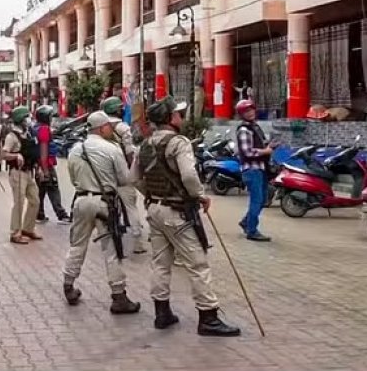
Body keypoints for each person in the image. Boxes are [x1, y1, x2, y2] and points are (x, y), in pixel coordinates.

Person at [134, 97, 240, 337]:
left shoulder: (146, 144)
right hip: (177, 212)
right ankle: (208, 318)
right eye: (178, 114)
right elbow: (190, 176)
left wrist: (152, 195)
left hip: (154, 209)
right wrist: (200, 196)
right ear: (170, 118)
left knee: (161, 263)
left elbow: (134, 179)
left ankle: (162, 314)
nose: (181, 118)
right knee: (198, 264)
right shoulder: (179, 142)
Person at [62, 111, 140, 313]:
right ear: (102, 127)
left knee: (77, 245)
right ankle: (118, 295)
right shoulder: (112, 149)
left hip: (80, 200)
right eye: (109, 126)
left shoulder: (75, 150)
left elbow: (72, 178)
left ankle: (68, 285)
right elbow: (124, 179)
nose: (111, 129)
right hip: (104, 204)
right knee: (111, 249)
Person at [102, 96, 147, 253]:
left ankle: (110, 237)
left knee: (108, 206)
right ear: (116, 110)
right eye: (120, 108)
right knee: (131, 207)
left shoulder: (100, 127)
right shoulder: (122, 128)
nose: (122, 110)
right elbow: (129, 152)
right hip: (122, 173)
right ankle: (138, 242)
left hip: (104, 173)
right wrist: (134, 170)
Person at [235, 99, 275, 242]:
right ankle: (252, 231)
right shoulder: (244, 130)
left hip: (261, 168)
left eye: (251, 109)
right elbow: (247, 152)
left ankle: (246, 222)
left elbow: (260, 145)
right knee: (257, 200)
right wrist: (266, 151)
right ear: (241, 114)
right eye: (246, 111)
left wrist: (270, 145)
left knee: (263, 199)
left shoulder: (254, 127)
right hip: (252, 170)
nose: (250, 112)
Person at [2, 106, 41, 244]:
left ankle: (27, 228)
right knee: (19, 203)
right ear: (20, 119)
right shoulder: (12, 136)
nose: (29, 120)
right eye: (26, 117)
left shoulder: (29, 134)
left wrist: (38, 167)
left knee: (35, 200)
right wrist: (15, 155)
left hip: (29, 171)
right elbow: (3, 154)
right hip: (17, 173)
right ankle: (15, 233)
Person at [34, 105, 70, 224]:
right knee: (53, 189)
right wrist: (45, 171)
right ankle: (61, 214)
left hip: (38, 165)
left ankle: (39, 214)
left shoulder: (36, 128)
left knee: (41, 190)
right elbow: (44, 150)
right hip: (46, 165)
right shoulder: (44, 129)